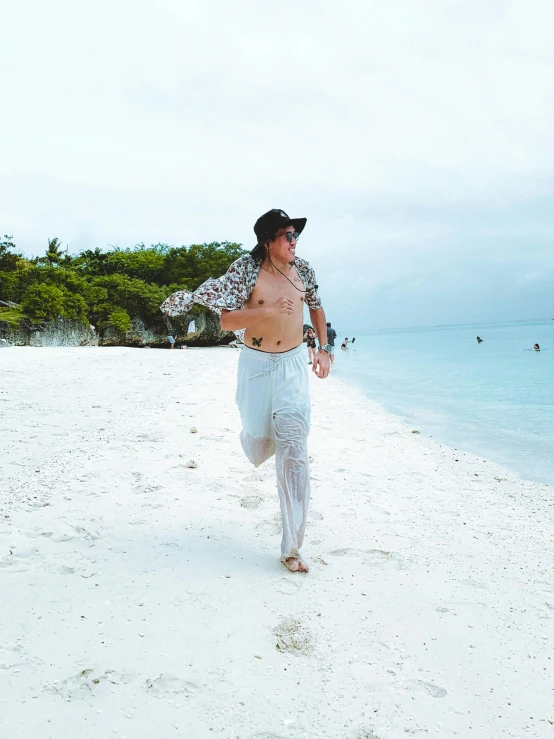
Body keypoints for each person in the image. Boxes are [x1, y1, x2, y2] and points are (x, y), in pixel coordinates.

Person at [160, 209, 331, 573]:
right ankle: (256, 435)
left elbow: (315, 307)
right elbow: (226, 320)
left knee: (295, 447)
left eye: (295, 235)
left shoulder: (305, 271)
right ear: (268, 241)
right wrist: (269, 310)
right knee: (258, 442)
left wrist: (324, 349)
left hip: (292, 367)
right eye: (287, 236)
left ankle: (292, 548)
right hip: (256, 366)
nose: (294, 241)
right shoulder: (245, 270)